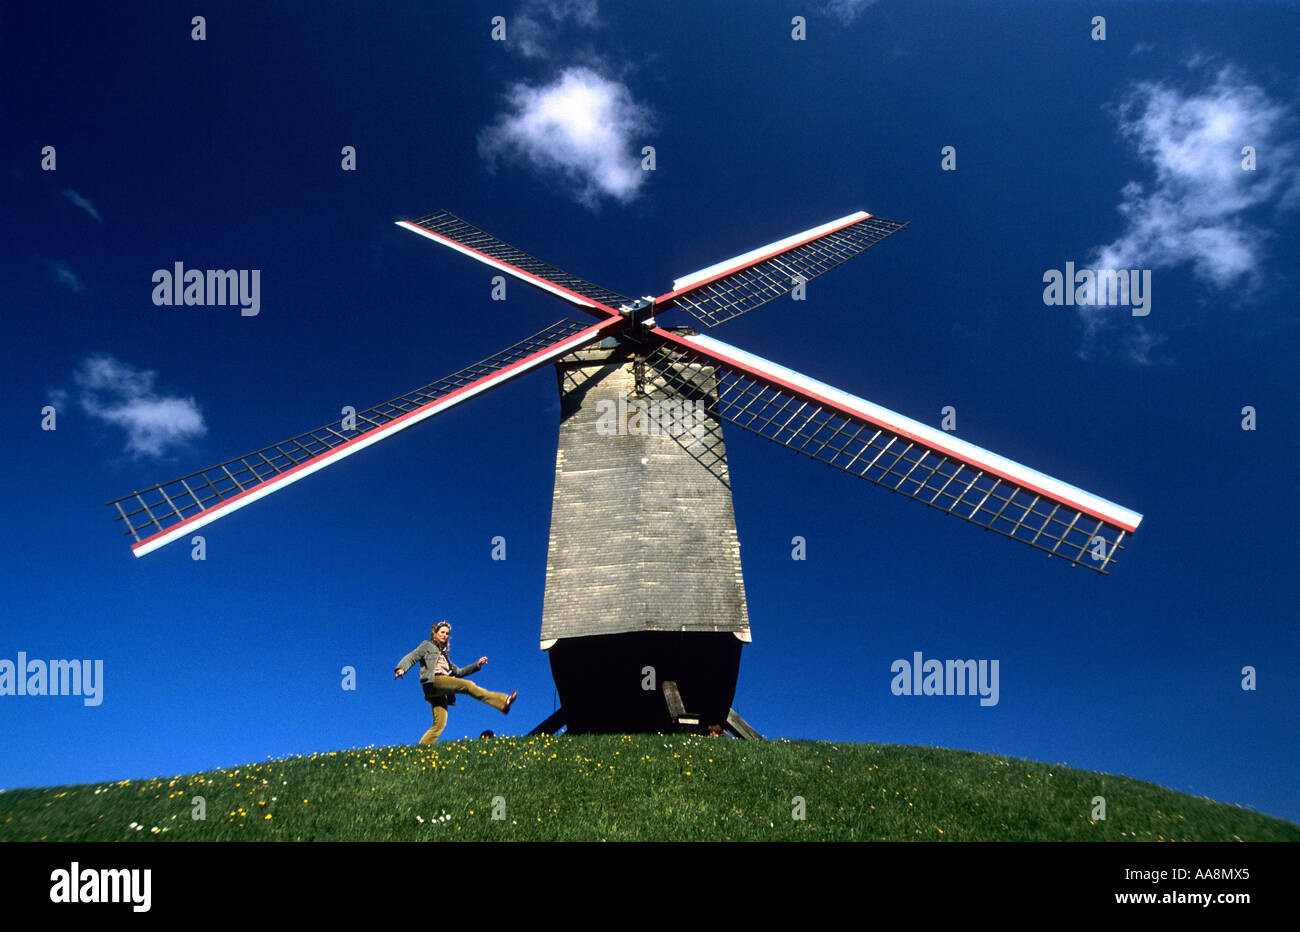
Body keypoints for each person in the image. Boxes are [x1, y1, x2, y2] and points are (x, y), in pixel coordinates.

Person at [394, 621, 517, 746]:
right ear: (435, 633)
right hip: (434, 681)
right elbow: (412, 656)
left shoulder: (445, 657)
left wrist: (477, 665)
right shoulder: (427, 646)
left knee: (439, 724)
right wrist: (402, 668)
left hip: (439, 690)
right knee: (467, 686)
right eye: (442, 632)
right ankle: (502, 702)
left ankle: (420, 751)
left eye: (447, 633)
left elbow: (458, 672)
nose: (445, 635)